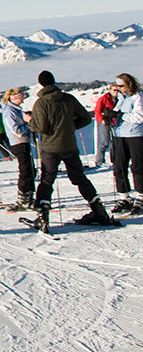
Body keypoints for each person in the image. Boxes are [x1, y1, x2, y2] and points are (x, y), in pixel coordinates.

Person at [26, 70, 118, 233]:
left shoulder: (41, 103)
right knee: (80, 178)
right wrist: (69, 127)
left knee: (47, 180)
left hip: (50, 148)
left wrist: (31, 121)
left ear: (41, 84)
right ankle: (99, 211)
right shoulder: (68, 99)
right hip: (69, 145)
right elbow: (85, 118)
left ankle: (43, 217)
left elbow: (41, 128)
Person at [107, 73, 143, 215]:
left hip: (136, 135)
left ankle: (141, 196)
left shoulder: (138, 96)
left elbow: (139, 117)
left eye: (121, 86)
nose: (119, 89)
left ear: (129, 84)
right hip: (120, 134)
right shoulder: (122, 98)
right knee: (119, 166)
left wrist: (121, 115)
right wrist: (110, 114)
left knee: (138, 166)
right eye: (117, 86)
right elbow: (117, 111)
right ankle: (125, 196)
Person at [0, 87, 36, 211]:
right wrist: (28, 126)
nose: (23, 100)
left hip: (21, 142)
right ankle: (24, 198)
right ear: (15, 98)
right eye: (21, 97)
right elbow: (15, 129)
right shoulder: (9, 111)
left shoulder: (14, 109)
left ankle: (28, 196)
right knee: (25, 170)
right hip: (18, 142)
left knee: (29, 169)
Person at [92, 81, 121, 168]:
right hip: (106, 121)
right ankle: (99, 161)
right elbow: (97, 110)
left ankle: (115, 160)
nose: (116, 92)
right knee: (105, 142)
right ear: (110, 90)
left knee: (114, 142)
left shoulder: (118, 99)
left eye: (118, 90)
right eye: (115, 90)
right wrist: (101, 119)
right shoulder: (104, 98)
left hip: (114, 121)